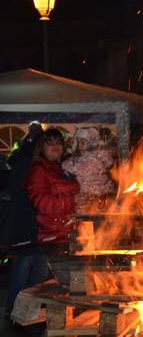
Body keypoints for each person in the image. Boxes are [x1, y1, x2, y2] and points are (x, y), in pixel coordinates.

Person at [1, 123, 45, 316]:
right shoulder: (27, 161)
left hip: (33, 220)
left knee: (35, 263)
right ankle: (17, 308)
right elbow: (21, 191)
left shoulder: (21, 157)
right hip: (29, 219)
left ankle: (26, 308)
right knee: (28, 262)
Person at [24, 128, 78, 246]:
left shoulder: (62, 168)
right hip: (51, 236)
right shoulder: (38, 170)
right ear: (42, 146)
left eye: (58, 142)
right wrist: (74, 200)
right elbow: (42, 203)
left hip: (68, 233)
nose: (55, 146)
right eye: (50, 143)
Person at [62, 127, 115, 213]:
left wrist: (64, 163)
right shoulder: (85, 157)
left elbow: (76, 168)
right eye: (78, 141)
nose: (79, 144)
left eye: (83, 141)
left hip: (91, 197)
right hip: (93, 198)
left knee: (90, 218)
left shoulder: (92, 159)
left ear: (91, 141)